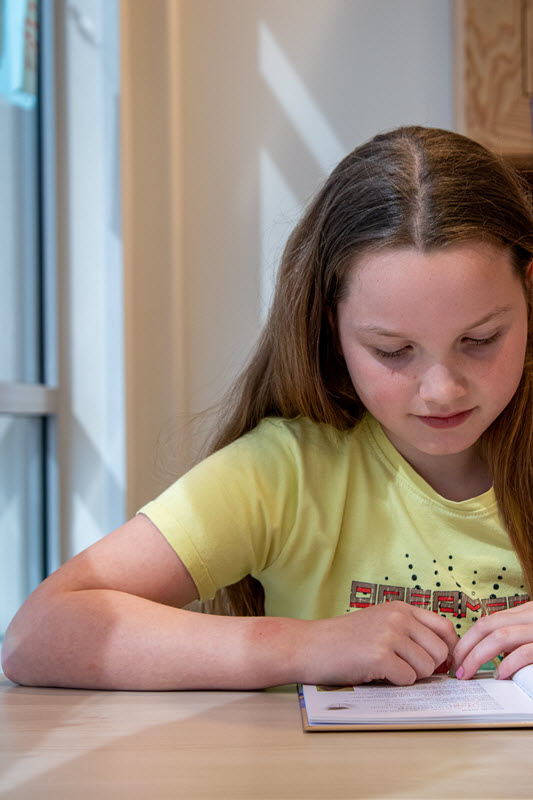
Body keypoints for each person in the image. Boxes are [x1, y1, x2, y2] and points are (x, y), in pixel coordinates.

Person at [3, 125, 533, 691]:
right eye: (393, 351)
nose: (440, 390)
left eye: (479, 340)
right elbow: (37, 635)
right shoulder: (288, 473)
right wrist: (301, 644)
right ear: (332, 328)